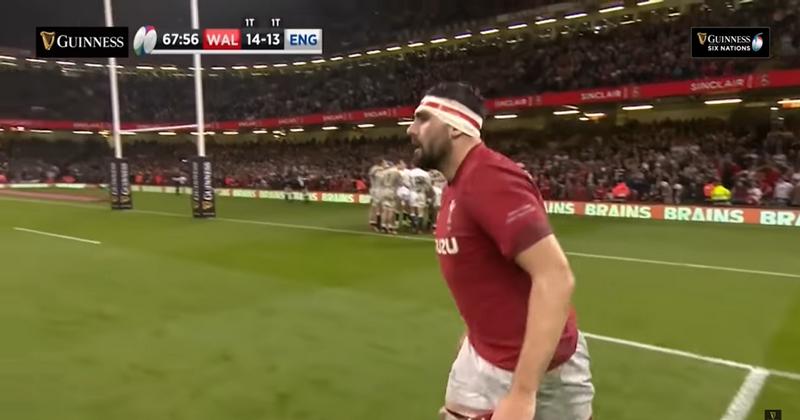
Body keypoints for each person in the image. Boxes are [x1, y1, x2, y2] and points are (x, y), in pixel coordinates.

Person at [406, 82, 593, 420]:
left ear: (454, 127)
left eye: (422, 119)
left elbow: (555, 277)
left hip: (534, 372)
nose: (410, 129)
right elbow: (486, 273)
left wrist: (522, 394)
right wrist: (473, 334)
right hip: (484, 357)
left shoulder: (489, 177)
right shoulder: (458, 182)